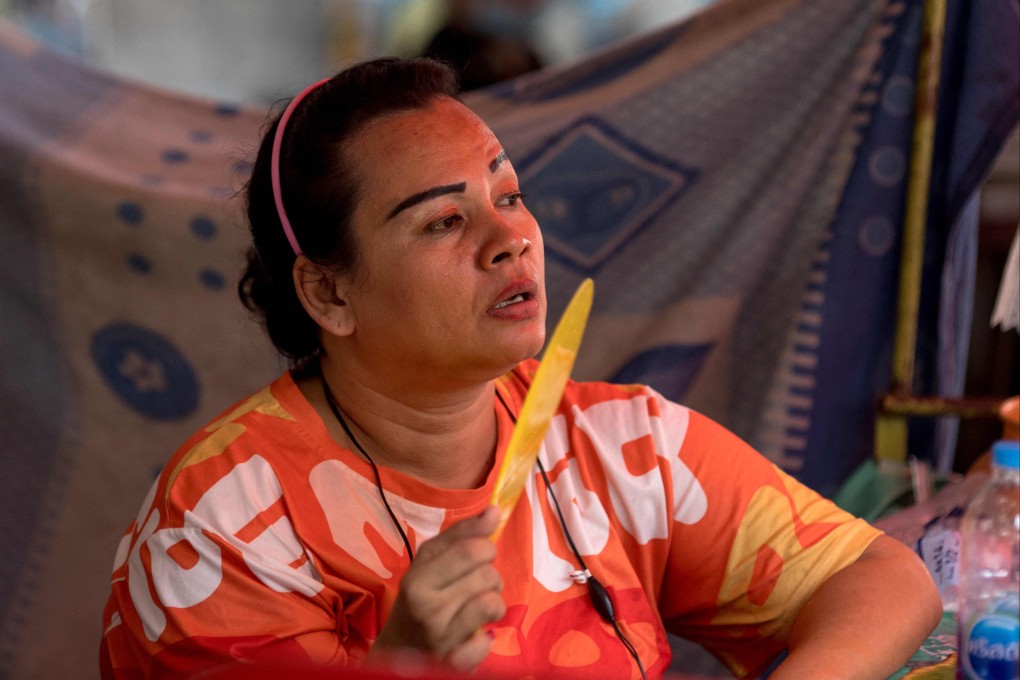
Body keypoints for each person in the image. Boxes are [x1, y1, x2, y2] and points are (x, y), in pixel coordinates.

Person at [100, 57, 941, 680]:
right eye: (441, 223)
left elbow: (885, 579)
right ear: (328, 292)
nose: (512, 238)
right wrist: (396, 667)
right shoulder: (221, 524)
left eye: (508, 195)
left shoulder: (618, 445)